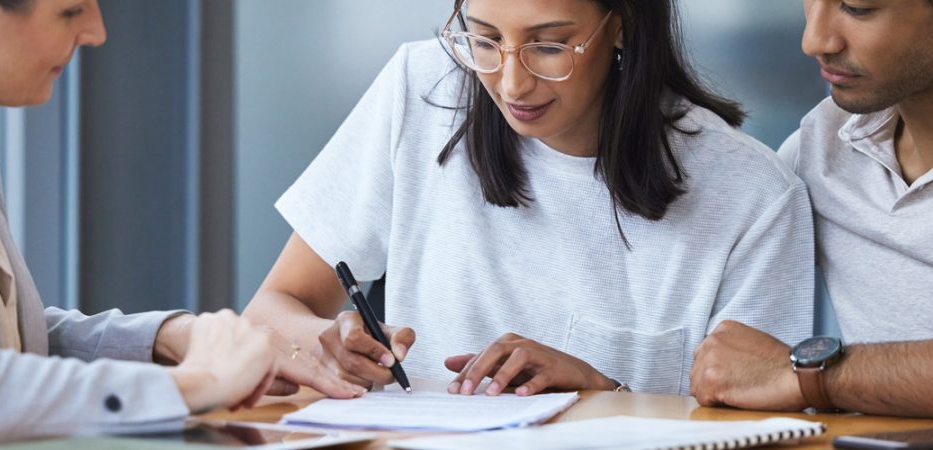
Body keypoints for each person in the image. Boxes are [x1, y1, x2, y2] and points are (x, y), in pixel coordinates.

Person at [0, 0, 364, 448]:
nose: (95, 31)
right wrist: (195, 384)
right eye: (71, 10)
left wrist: (169, 337)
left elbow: (1, 338)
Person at [243, 0, 814, 399]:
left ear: (622, 25)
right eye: (485, 38)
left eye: (548, 45)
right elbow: (272, 309)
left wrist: (604, 392)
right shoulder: (423, 90)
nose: (511, 84)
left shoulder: (754, 195)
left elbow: (756, 423)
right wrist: (325, 343)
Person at [689, 0, 933, 418]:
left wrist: (810, 375)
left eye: (857, 8)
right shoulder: (821, 146)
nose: (814, 41)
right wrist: (606, 385)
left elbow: (771, 372)